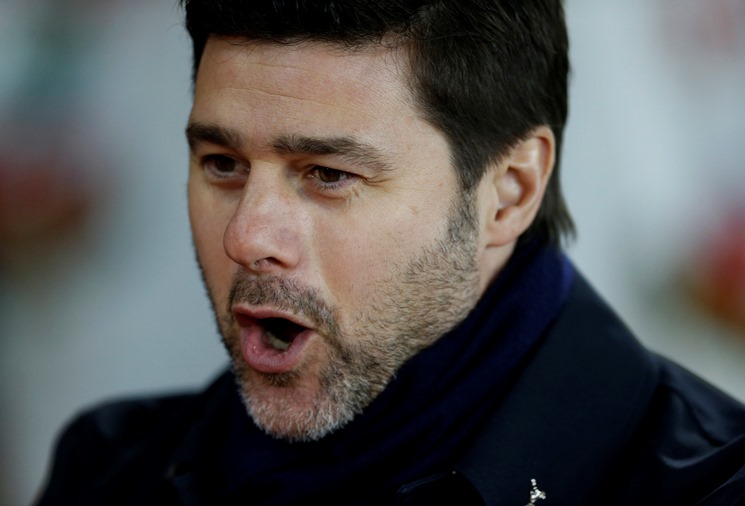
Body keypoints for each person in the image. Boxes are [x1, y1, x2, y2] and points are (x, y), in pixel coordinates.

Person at [36, 1, 745, 504]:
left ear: (509, 191)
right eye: (222, 163)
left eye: (328, 175)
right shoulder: (108, 466)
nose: (247, 237)